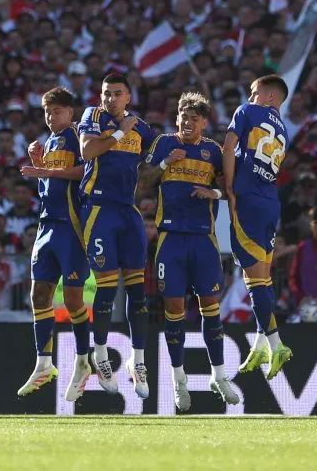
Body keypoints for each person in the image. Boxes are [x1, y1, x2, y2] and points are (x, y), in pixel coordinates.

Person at [145, 92, 240, 411]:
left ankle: (219, 374)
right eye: (184, 117)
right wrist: (162, 164)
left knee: (210, 305)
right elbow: (141, 182)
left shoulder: (213, 151)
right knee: (173, 308)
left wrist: (211, 191)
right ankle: (178, 379)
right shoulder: (163, 144)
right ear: (177, 119)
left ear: (204, 123)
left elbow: (229, 188)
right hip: (171, 238)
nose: (188, 122)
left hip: (203, 239)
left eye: (195, 119)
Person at [78, 73, 157, 397]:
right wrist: (120, 131)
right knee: (107, 290)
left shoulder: (141, 128)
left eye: (117, 93)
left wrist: (166, 164)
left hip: (127, 210)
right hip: (98, 209)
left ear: (128, 97)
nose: (110, 99)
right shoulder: (93, 116)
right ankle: (100, 357)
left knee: (139, 293)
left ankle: (137, 362)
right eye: (106, 93)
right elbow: (87, 151)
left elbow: (151, 165)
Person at [16, 86, 92, 401]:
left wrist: (43, 168)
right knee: (39, 293)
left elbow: (84, 171)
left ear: (70, 113)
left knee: (73, 300)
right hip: (46, 225)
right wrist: (39, 161)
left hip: (71, 228)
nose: (51, 117)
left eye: (57, 111)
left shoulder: (77, 136)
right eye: (47, 112)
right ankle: (44, 363)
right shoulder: (50, 141)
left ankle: (83, 360)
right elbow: (51, 185)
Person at [223, 74, 293, 379]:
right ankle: (261, 344)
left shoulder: (247, 111)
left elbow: (228, 146)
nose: (251, 97)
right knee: (261, 276)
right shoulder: (284, 131)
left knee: (254, 280)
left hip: (248, 200)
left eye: (255, 92)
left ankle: (276, 344)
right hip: (269, 202)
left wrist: (228, 186)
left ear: (270, 97)